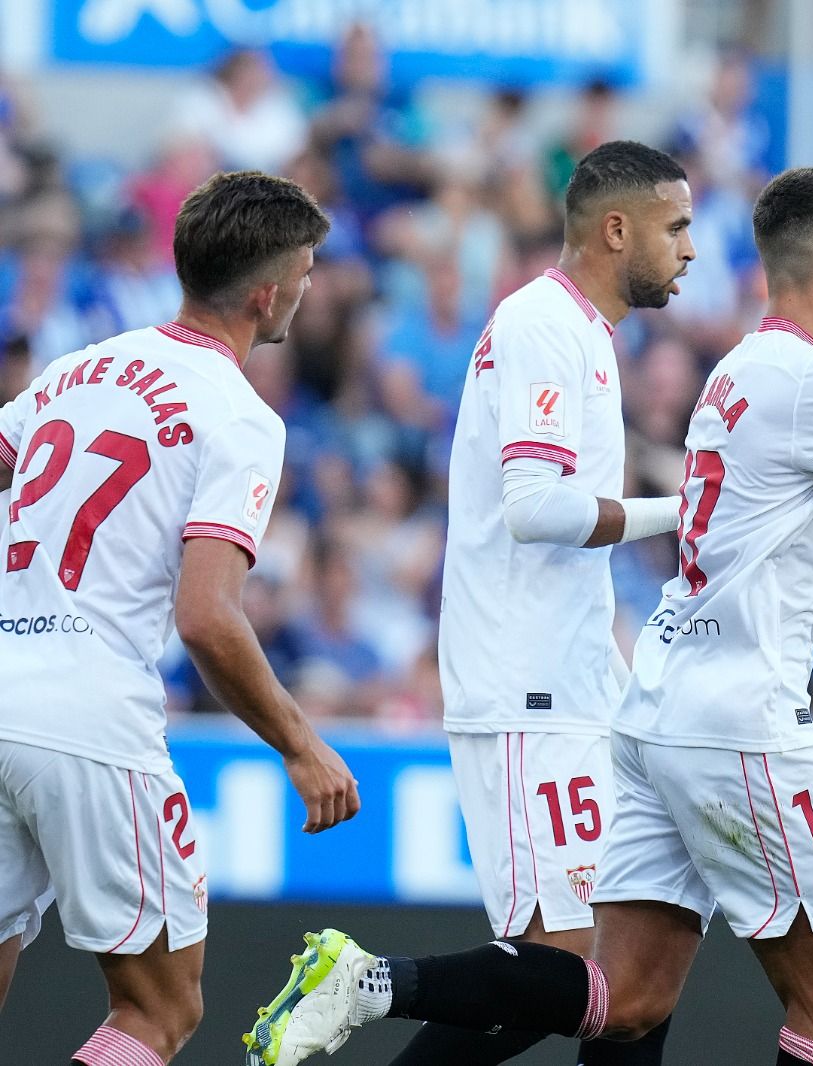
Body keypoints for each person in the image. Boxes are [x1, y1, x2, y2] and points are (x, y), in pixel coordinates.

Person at [241, 165, 813, 1066]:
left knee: (625, 1000)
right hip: (716, 718)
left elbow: (736, 542)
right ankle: (374, 981)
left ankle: (376, 983)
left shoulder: (734, 373)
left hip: (652, 711)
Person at [247, 140, 701, 1066]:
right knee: (571, 970)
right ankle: (369, 982)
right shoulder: (542, 323)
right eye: (677, 227)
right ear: (617, 230)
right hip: (526, 688)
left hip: (574, 681)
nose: (692, 248)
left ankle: (371, 985)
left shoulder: (588, 334)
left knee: (623, 982)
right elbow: (536, 510)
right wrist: (688, 510)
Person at [0, 170, 360, 1066]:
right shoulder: (241, 416)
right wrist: (301, 744)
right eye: (308, 272)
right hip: (88, 716)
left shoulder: (75, 368)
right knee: (157, 1011)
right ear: (271, 292)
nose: (309, 290)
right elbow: (206, 617)